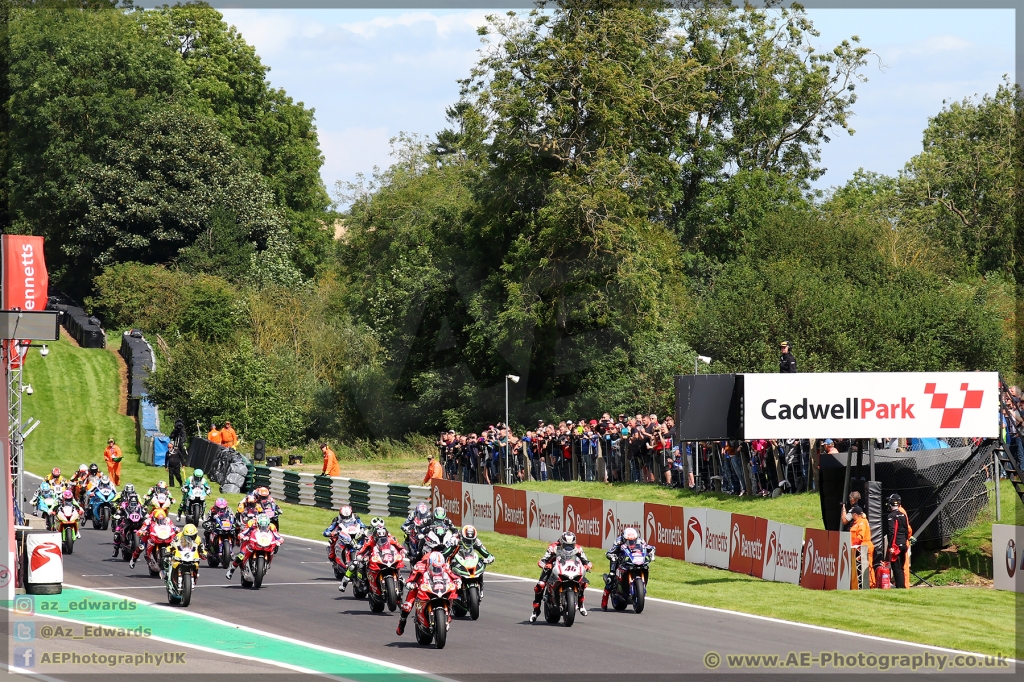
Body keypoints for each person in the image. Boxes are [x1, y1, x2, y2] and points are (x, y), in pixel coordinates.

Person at [395, 551, 461, 636]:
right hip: (419, 588)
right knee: (406, 607)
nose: (437, 569)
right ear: (429, 563)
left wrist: (458, 581)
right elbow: (410, 578)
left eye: (439, 567)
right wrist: (410, 584)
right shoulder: (419, 566)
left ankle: (447, 617)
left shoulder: (445, 567)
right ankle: (401, 623)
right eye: (435, 567)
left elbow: (453, 576)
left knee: (451, 596)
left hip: (438, 587)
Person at [530, 531, 592, 622]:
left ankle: (581, 604)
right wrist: (545, 565)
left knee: (583, 583)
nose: (569, 547)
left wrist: (587, 565)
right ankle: (536, 611)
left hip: (570, 568)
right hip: (553, 568)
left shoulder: (578, 548)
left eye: (571, 545)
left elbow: (586, 560)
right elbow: (543, 560)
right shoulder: (553, 547)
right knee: (540, 585)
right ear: (561, 542)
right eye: (566, 545)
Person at [601, 527, 655, 609]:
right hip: (621, 560)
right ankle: (604, 602)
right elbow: (610, 552)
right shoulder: (618, 541)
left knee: (645, 567)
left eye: (633, 540)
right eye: (628, 541)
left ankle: (638, 591)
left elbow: (649, 547)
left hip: (636, 560)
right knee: (611, 577)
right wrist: (612, 555)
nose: (631, 542)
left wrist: (651, 552)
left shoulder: (640, 541)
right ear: (624, 538)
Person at [339, 524, 404, 592]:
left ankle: (400, 578)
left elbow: (399, 547)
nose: (381, 539)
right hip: (371, 555)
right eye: (378, 537)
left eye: (383, 537)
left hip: (385, 556)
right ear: (375, 535)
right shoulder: (369, 540)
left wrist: (403, 551)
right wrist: (360, 555)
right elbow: (363, 550)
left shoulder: (391, 539)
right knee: (355, 564)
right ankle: (344, 583)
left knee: (396, 564)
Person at [226, 513, 282, 580]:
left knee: (272, 549)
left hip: (263, 541)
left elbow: (277, 535)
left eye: (265, 526)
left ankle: (268, 564)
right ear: (257, 522)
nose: (263, 527)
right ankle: (231, 570)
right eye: (261, 525)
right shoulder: (251, 523)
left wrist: (279, 540)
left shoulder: (272, 526)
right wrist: (242, 536)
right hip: (250, 541)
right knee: (241, 555)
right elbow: (244, 532)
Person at [111, 484, 143, 557]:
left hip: (136, 520)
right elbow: (119, 509)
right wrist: (117, 513)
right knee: (117, 531)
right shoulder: (123, 503)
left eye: (134, 501)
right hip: (126, 519)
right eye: (131, 500)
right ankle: (116, 549)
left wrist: (145, 514)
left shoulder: (138, 504)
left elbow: (142, 507)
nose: (133, 502)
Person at [885, 493, 909, 589]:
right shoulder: (903, 515)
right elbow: (906, 529)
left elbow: (891, 532)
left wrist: (890, 546)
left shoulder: (891, 516)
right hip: (903, 544)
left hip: (896, 546)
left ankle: (901, 588)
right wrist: (905, 541)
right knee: (901, 568)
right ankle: (902, 586)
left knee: (897, 569)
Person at [848, 506, 875, 588]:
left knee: (868, 566)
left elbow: (860, 536)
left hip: (865, 546)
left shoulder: (862, 522)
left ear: (855, 514)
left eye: (852, 514)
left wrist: (853, 545)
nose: (851, 516)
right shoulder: (857, 523)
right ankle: (863, 584)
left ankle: (871, 585)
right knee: (862, 567)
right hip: (859, 547)